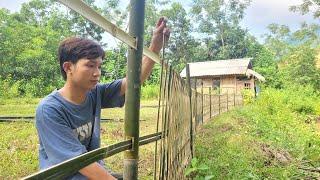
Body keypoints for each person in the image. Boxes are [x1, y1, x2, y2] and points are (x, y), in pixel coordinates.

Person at [35, 17, 170, 180]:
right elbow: (77, 161)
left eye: (99, 66)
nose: (97, 72)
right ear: (68, 67)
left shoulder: (94, 93)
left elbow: (133, 81)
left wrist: (154, 47)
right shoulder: (50, 109)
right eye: (90, 65)